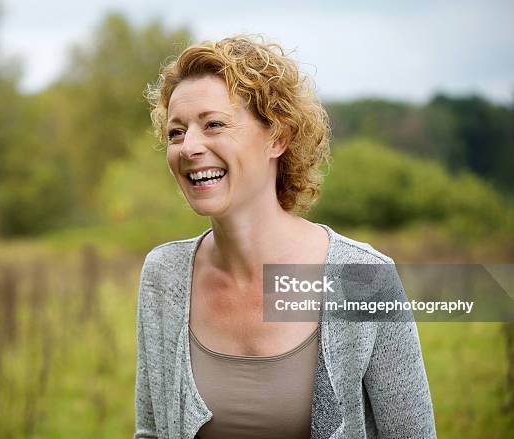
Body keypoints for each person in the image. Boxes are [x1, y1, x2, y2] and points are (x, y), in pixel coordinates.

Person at [135, 34, 436, 438]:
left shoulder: (362, 277)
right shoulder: (164, 274)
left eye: (214, 124)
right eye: (176, 132)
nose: (188, 147)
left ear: (278, 137)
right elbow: (152, 432)